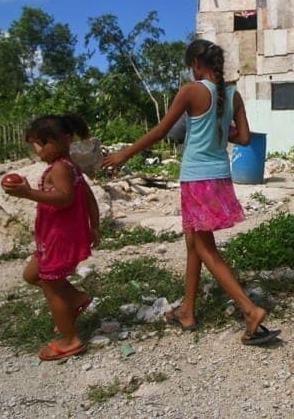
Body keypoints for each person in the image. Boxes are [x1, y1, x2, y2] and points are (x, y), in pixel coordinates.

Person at [102, 39, 280, 346]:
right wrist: (220, 129)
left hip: (197, 179)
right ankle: (187, 310)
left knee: (205, 248)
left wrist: (124, 154)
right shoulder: (233, 95)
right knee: (193, 243)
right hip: (220, 176)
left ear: (196, 64)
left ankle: (250, 310)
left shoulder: (191, 91)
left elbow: (162, 131)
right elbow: (245, 138)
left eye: (190, 67)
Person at [1, 114, 100, 361]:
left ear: (65, 139)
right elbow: (88, 197)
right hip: (52, 237)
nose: (38, 149)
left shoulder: (60, 168)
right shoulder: (69, 166)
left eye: (43, 142)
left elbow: (65, 199)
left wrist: (28, 193)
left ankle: (69, 340)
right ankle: (75, 299)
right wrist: (94, 226)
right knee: (32, 275)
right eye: (34, 144)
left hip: (59, 238)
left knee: (51, 287)